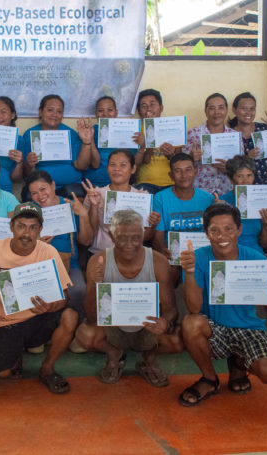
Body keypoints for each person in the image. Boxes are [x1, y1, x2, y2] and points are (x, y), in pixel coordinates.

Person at [0, 202, 77, 394]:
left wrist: (51, 306)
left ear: (40, 230)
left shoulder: (49, 252)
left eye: (33, 227)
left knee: (70, 316)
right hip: (7, 322)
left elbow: (64, 297)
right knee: (2, 373)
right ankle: (14, 357)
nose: (26, 233)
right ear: (11, 227)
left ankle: (47, 369)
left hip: (39, 317)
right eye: (21, 226)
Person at [177, 203, 267, 406]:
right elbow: (194, 309)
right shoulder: (199, 258)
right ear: (206, 233)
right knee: (191, 322)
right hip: (214, 329)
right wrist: (191, 272)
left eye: (229, 229)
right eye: (215, 230)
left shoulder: (256, 259)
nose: (222, 236)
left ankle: (239, 362)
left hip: (250, 329)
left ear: (239, 230)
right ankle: (209, 379)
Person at [76, 209, 179, 387]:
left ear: (144, 234)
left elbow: (170, 309)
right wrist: (95, 284)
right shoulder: (99, 261)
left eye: (136, 237)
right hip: (113, 327)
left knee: (176, 341)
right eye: (122, 237)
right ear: (111, 235)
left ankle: (149, 359)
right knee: (85, 335)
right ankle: (114, 354)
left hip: (147, 326)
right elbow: (92, 317)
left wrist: (165, 323)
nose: (130, 244)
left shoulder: (158, 261)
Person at [26, 170, 94, 317]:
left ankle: (76, 322)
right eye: (34, 193)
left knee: (79, 291)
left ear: (53, 185)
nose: (40, 196)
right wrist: (35, 242)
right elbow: (19, 245)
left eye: (43, 189)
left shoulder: (69, 205)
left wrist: (83, 216)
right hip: (37, 266)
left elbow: (86, 241)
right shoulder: (29, 211)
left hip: (68, 265)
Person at [82, 149, 159, 259]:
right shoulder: (95, 193)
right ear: (107, 168)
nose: (117, 169)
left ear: (133, 169)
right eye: (112, 164)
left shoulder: (142, 196)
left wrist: (153, 224)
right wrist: (94, 206)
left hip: (132, 255)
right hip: (101, 253)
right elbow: (89, 236)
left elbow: (144, 238)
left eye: (123, 165)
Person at [22, 94, 89, 199]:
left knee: (76, 193)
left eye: (59, 111)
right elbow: (27, 174)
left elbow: (81, 166)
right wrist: (30, 165)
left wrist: (86, 142)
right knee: (29, 195)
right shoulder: (30, 135)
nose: (54, 114)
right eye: (50, 110)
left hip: (70, 185)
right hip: (40, 187)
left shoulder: (71, 134)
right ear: (40, 111)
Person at [152, 153, 215, 258]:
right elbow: (158, 234)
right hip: (173, 254)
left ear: (195, 172)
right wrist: (163, 251)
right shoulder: (160, 198)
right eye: (178, 171)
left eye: (188, 170)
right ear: (171, 175)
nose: (184, 175)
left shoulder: (208, 199)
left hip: (201, 254)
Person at [185, 93, 239, 196]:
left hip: (227, 191)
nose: (216, 112)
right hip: (200, 191)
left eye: (221, 108)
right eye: (212, 108)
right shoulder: (193, 133)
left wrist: (229, 168)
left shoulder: (235, 136)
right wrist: (191, 157)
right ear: (205, 111)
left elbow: (241, 168)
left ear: (226, 110)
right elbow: (183, 163)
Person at [219, 155, 267, 253]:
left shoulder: (262, 200)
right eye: (240, 176)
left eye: (249, 175)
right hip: (228, 253)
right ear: (231, 179)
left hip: (254, 253)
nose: (246, 181)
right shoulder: (221, 202)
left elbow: (266, 244)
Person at [227, 92, 267, 184]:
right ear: (234, 110)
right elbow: (227, 167)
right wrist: (247, 158)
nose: (248, 112)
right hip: (243, 186)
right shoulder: (229, 135)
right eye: (244, 108)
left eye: (252, 109)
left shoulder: (264, 129)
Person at [133, 89, 175, 194]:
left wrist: (171, 155)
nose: (148, 109)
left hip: (170, 182)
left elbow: (178, 160)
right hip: (145, 182)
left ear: (161, 108)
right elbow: (143, 161)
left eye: (152, 104)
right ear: (139, 111)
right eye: (144, 106)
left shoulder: (172, 127)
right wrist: (149, 131)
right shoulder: (136, 130)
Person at [82, 96, 118, 187]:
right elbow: (95, 164)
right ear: (96, 114)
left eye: (110, 110)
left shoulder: (126, 131)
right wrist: (91, 140)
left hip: (118, 184)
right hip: (94, 184)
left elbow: (132, 165)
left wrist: (142, 147)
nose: (105, 114)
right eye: (100, 111)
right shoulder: (90, 131)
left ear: (116, 113)